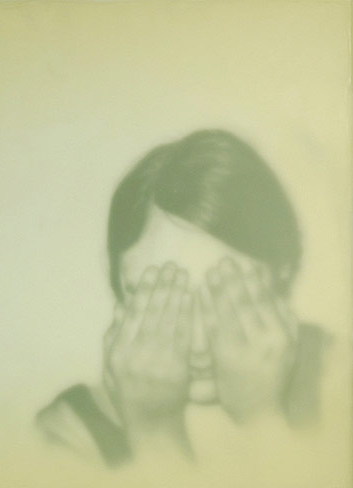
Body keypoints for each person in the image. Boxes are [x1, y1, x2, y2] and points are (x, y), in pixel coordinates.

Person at [33, 129, 331, 468]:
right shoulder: (67, 434)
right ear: (116, 278)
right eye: (160, 298)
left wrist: (262, 418)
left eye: (226, 296)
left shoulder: (336, 377)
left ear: (282, 269)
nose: (198, 343)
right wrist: (152, 430)